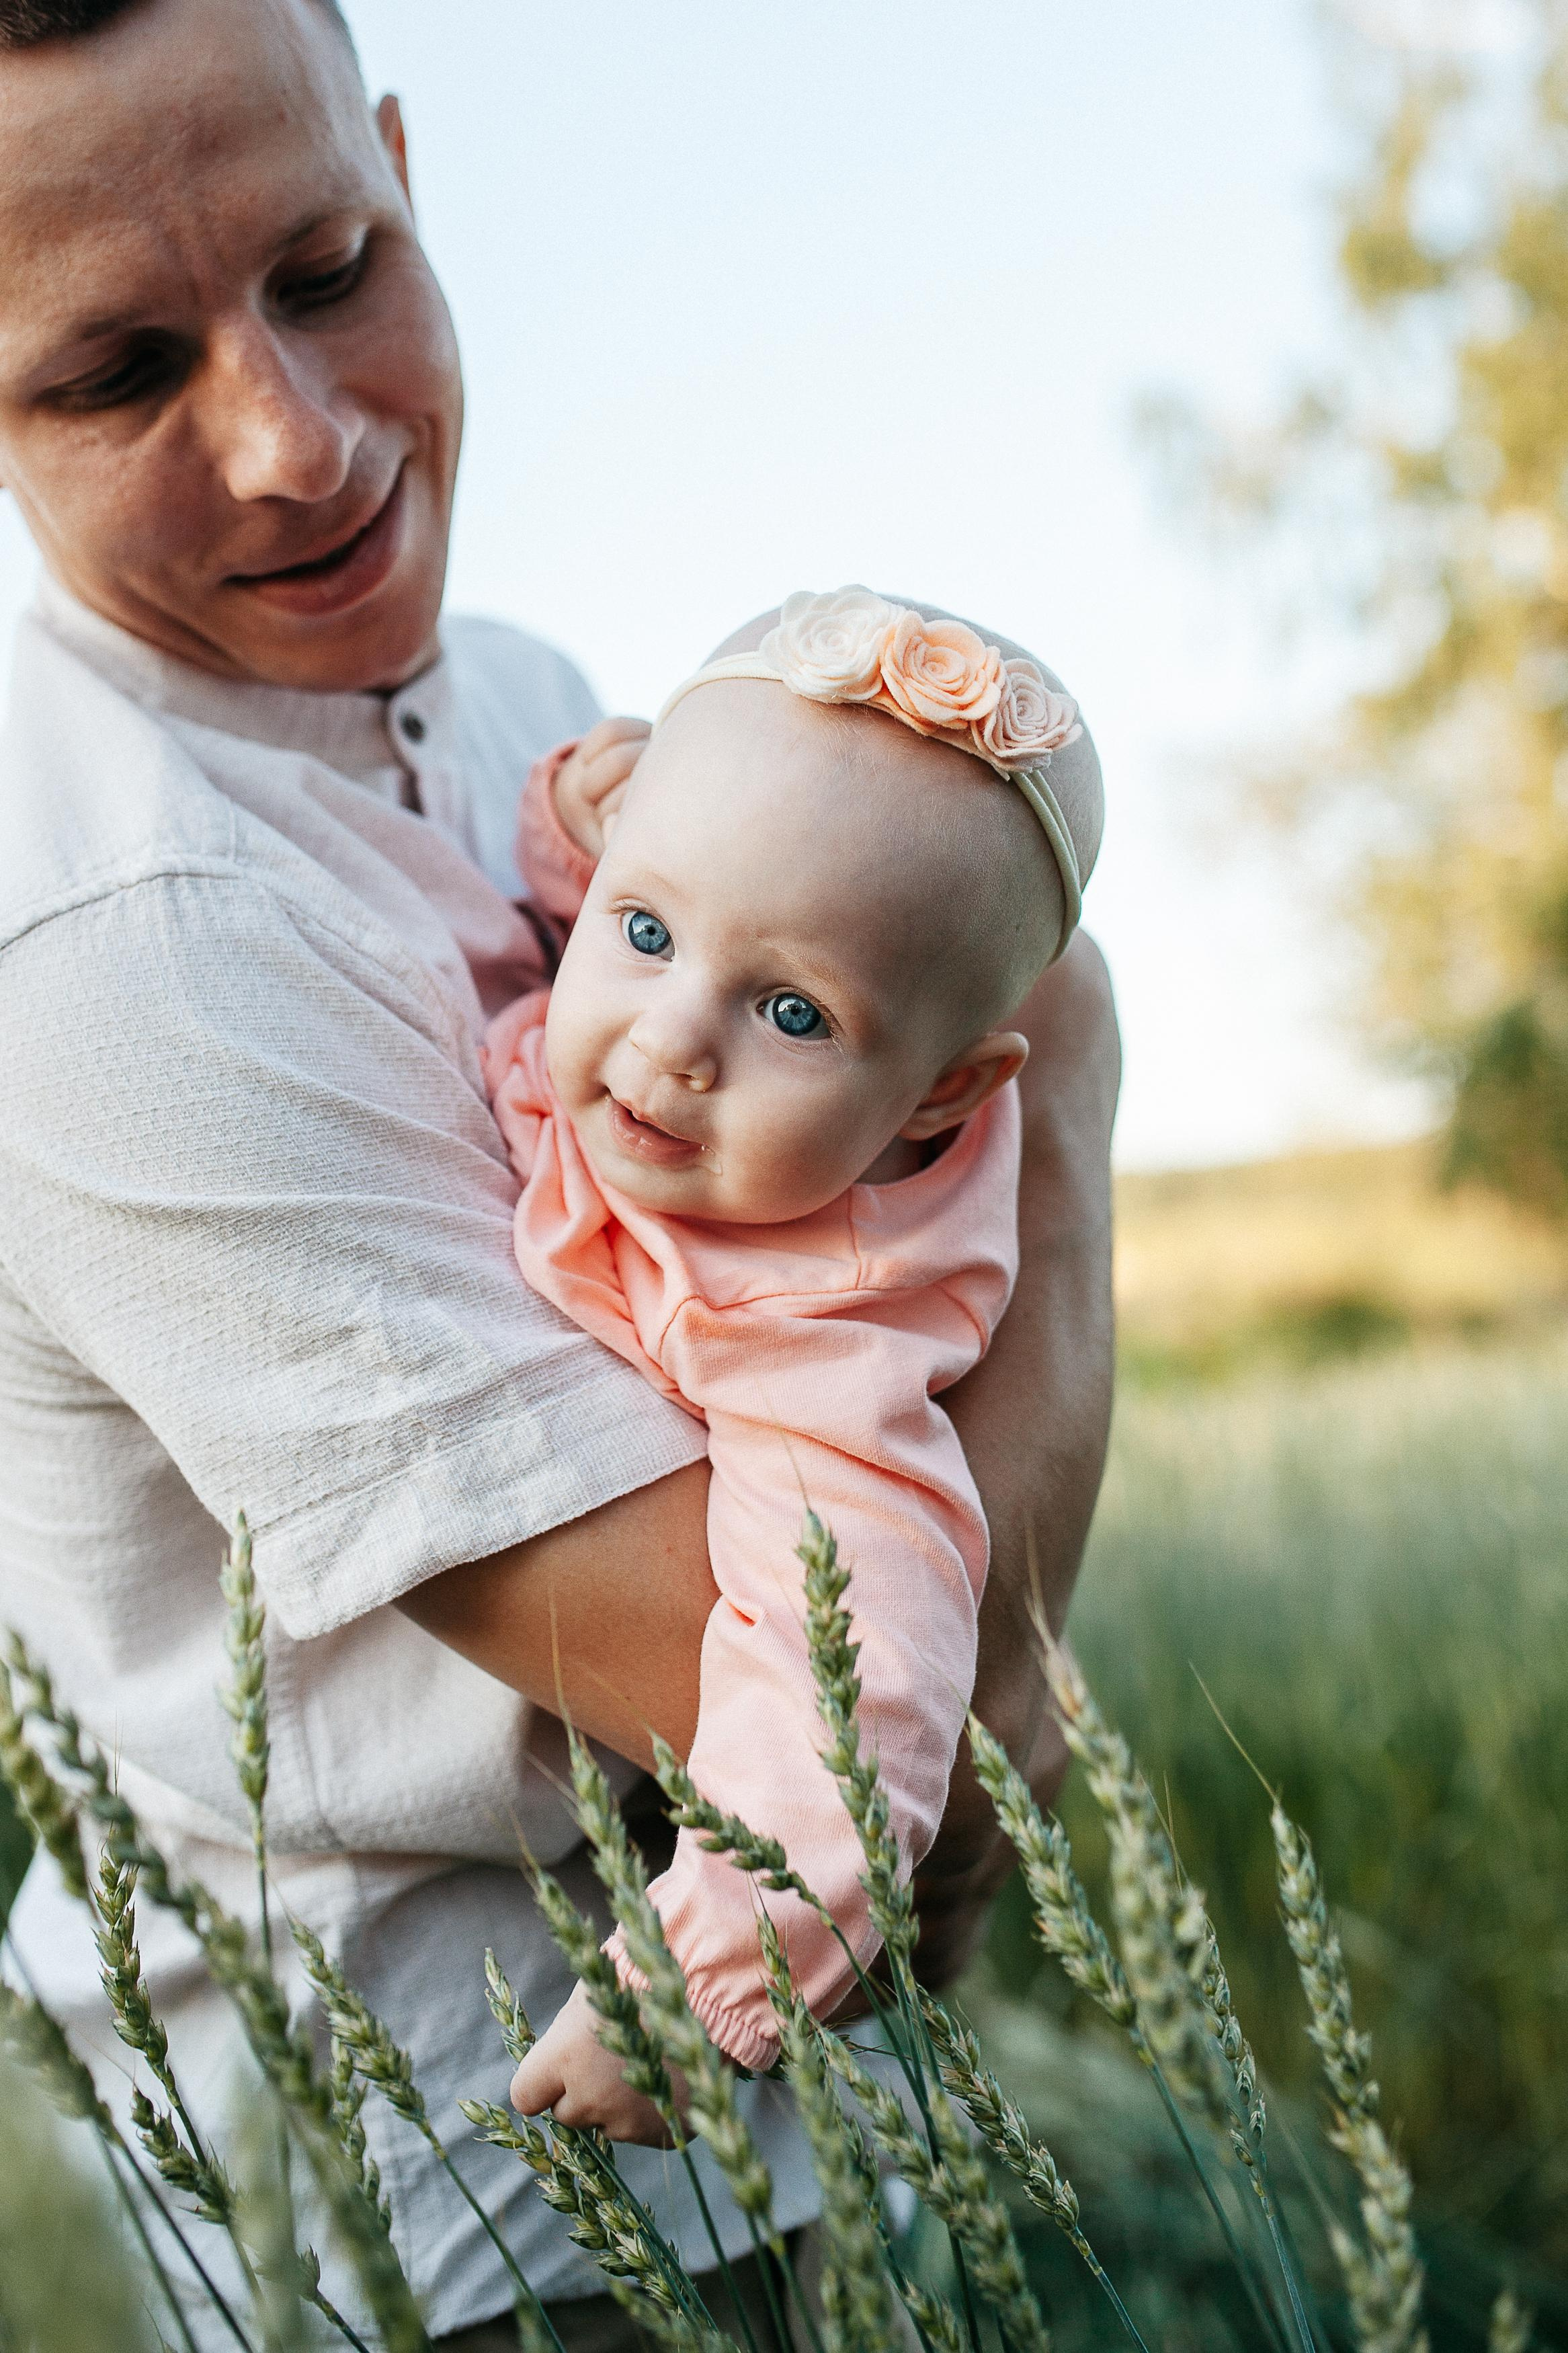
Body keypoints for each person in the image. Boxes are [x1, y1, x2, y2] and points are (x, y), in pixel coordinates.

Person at [0, 0, 1120, 2343]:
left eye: (330, 268)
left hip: (769, 2087)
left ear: (404, 166)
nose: (301, 446)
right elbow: (828, 1686)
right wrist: (1069, 1077)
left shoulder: (520, 692)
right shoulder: (102, 935)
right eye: (110, 374)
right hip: (463, 2156)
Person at [487, 589, 1103, 2133]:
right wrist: (572, 821)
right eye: (643, 931)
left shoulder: (810, 1333)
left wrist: (707, 1979)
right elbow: (654, 880)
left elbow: (863, 1675)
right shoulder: (699, 1004)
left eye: (792, 1014)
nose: (674, 1040)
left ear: (941, 1095)